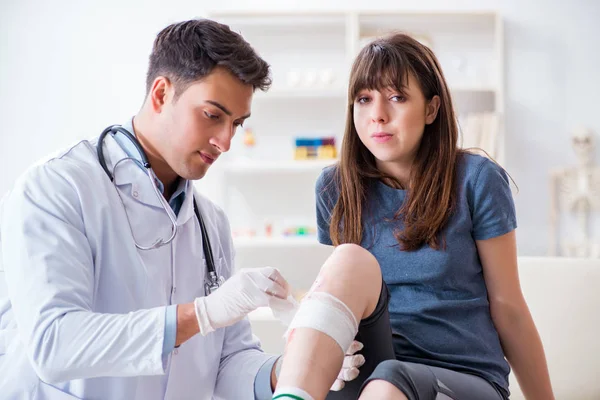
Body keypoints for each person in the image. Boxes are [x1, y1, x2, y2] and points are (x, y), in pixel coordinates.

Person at [0, 18, 299, 400]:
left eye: (236, 124)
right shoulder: (58, 189)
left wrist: (289, 368)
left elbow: (228, 361)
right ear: (160, 94)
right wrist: (202, 314)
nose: (225, 141)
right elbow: (55, 343)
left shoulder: (211, 224)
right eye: (213, 115)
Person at [272, 33, 555, 400]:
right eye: (364, 99)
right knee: (348, 262)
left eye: (397, 97)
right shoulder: (335, 187)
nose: (377, 115)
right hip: (372, 370)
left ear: (431, 109)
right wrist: (315, 333)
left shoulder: (477, 179)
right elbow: (345, 291)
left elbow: (509, 307)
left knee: (390, 381)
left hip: (462, 376)